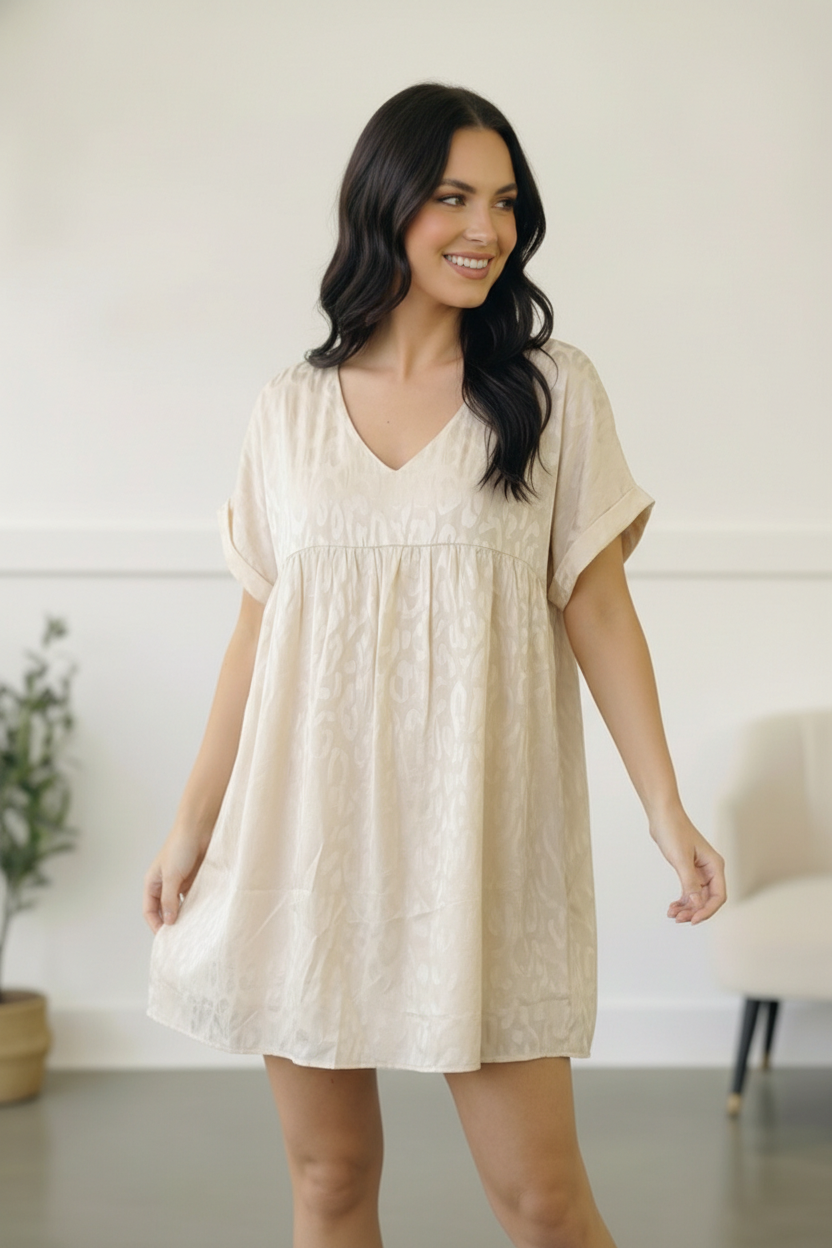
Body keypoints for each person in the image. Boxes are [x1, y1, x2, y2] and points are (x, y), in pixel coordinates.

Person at [143, 82, 726, 1248]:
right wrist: (190, 826)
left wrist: (666, 809)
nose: (485, 228)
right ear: (387, 203)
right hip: (306, 850)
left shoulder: (550, 393)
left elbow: (599, 612)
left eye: (504, 203)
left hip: (484, 854)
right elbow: (257, 634)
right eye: (454, 197)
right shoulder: (288, 411)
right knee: (329, 1182)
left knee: (541, 1202)